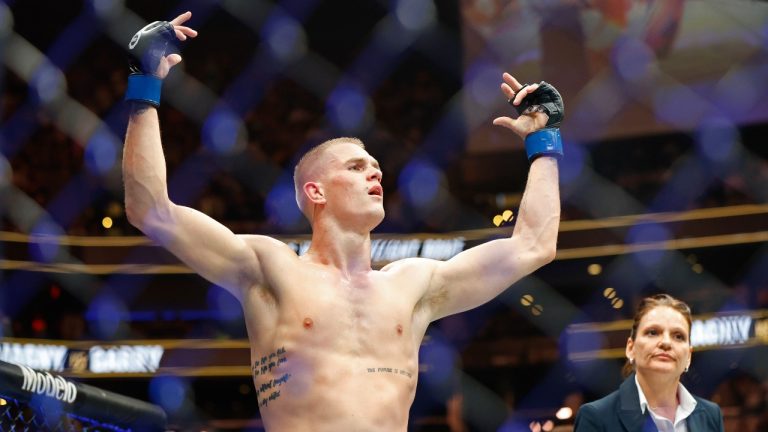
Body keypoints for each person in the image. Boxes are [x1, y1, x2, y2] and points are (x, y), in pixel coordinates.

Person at [122, 11, 563, 431]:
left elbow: (533, 246)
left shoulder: (413, 284)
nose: (375, 173)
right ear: (315, 192)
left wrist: (544, 139)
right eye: (355, 167)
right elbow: (151, 210)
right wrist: (145, 84)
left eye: (375, 167)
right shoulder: (270, 267)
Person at [573, 294, 725, 432]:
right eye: (653, 332)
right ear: (630, 348)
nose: (666, 342)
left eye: (678, 336)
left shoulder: (711, 415)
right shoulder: (596, 417)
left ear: (689, 357)